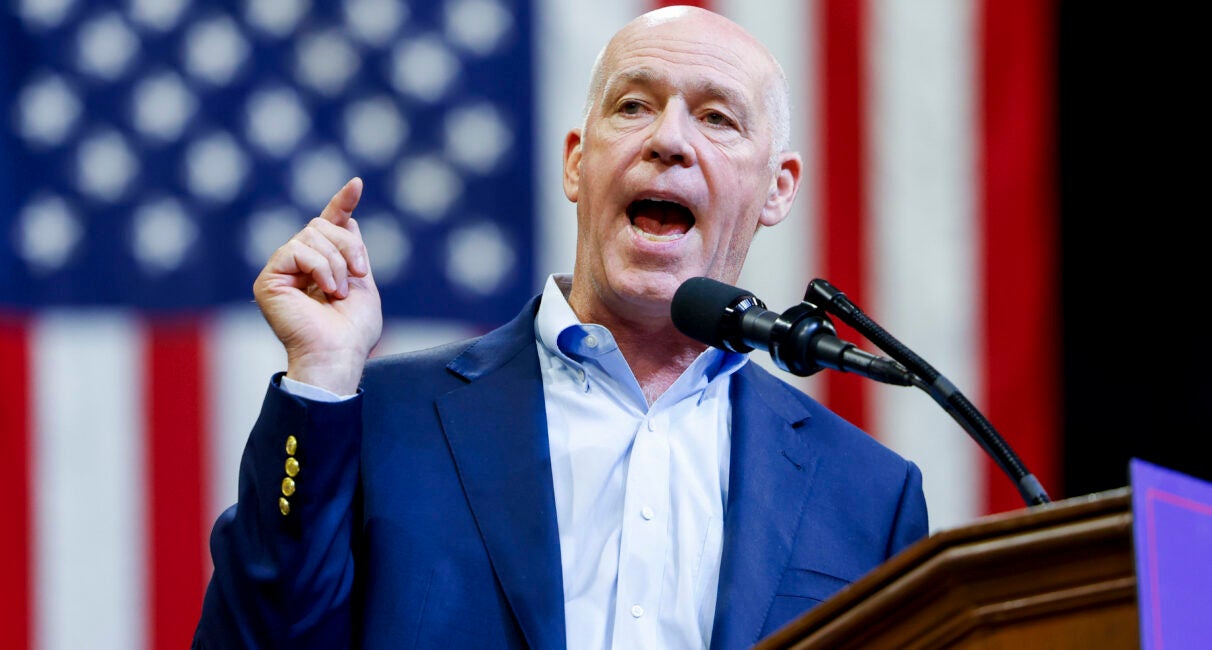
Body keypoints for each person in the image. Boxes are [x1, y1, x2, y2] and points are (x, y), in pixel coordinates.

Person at [192, 6, 928, 649]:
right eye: (634, 106)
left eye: (716, 118)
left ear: (777, 188)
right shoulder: (381, 420)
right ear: (578, 163)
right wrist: (322, 376)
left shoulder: (868, 494)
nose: (669, 140)